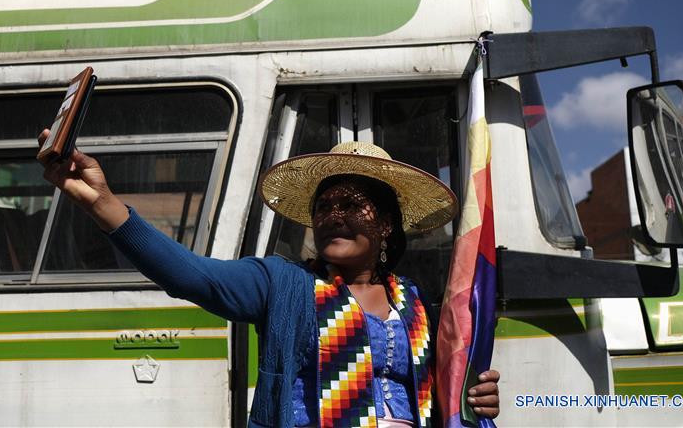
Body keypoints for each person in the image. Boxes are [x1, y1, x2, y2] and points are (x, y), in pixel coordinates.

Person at [38, 132, 500, 427]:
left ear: (385, 224)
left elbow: (450, 392)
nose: (333, 216)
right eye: (324, 206)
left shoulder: (417, 304)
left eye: (352, 204)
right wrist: (101, 203)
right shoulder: (282, 283)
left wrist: (476, 397)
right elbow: (191, 276)